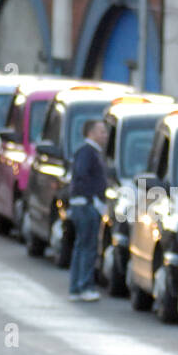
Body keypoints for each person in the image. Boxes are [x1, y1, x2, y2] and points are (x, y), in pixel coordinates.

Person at [67, 119, 108, 301]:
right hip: (86, 206)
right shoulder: (87, 153)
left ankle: (76, 287)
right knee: (88, 247)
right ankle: (84, 286)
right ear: (91, 133)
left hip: (83, 204)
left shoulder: (90, 152)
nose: (105, 135)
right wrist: (93, 199)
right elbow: (82, 176)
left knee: (81, 246)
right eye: (102, 132)